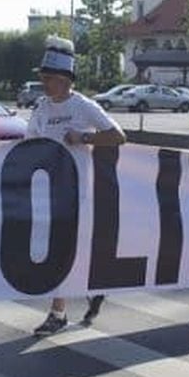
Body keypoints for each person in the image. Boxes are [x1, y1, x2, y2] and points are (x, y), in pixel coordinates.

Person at [29, 36, 126, 336]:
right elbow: (27, 144)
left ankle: (58, 313)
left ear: (66, 80)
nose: (45, 84)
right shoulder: (41, 108)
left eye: (50, 79)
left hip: (75, 192)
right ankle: (94, 285)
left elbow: (118, 136)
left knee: (59, 251)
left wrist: (84, 138)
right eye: (43, 78)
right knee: (60, 250)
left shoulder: (83, 106)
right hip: (47, 191)